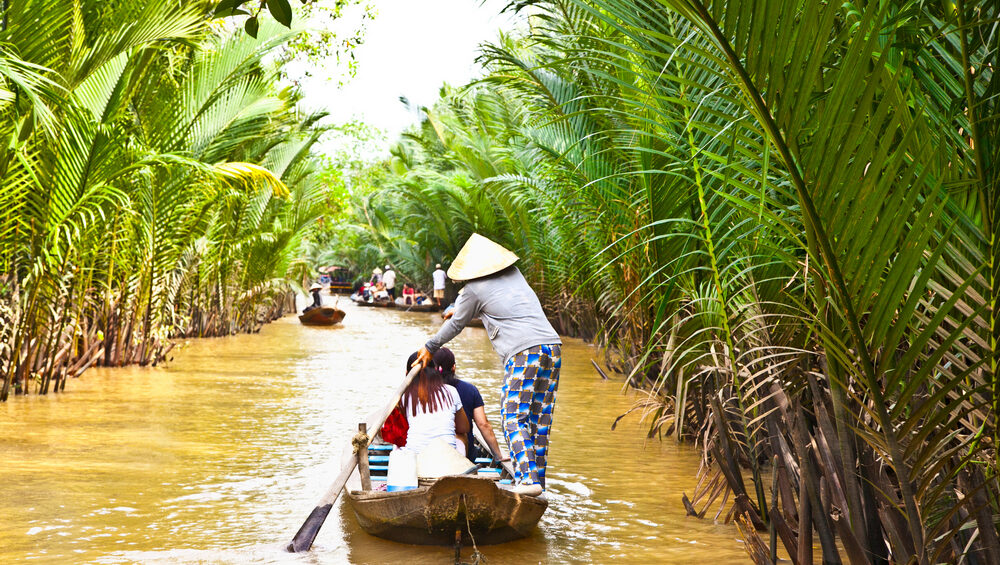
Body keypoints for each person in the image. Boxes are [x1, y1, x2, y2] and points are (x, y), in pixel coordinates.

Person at [414, 234, 562, 496]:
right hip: (552, 347)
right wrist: (457, 308)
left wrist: (429, 346)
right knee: (539, 420)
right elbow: (495, 304)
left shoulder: (473, 290)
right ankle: (538, 482)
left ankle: (527, 480)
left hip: (523, 352)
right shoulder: (515, 274)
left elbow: (457, 323)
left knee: (512, 416)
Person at [433, 348, 505, 461]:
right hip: (464, 452)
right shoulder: (470, 390)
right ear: (453, 367)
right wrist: (498, 456)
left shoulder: (423, 391)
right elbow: (483, 424)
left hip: (430, 449)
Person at [401, 351, 470, 456]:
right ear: (436, 371)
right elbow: (464, 428)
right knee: (462, 436)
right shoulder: (451, 391)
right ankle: (463, 466)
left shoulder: (404, 396)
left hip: (415, 454)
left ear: (407, 374)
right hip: (446, 455)